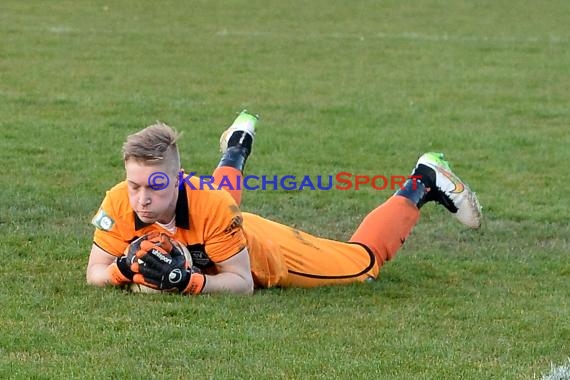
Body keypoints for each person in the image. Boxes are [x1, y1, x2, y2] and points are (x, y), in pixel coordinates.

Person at [86, 111, 482, 295]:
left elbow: (240, 284)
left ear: (179, 177)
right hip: (218, 223)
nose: (141, 198)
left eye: (153, 187)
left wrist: (188, 282)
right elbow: (95, 273)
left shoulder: (212, 207)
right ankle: (238, 143)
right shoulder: (120, 202)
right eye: (133, 184)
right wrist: (123, 269)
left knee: (362, 266)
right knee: (216, 206)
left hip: (260, 252)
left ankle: (423, 181)